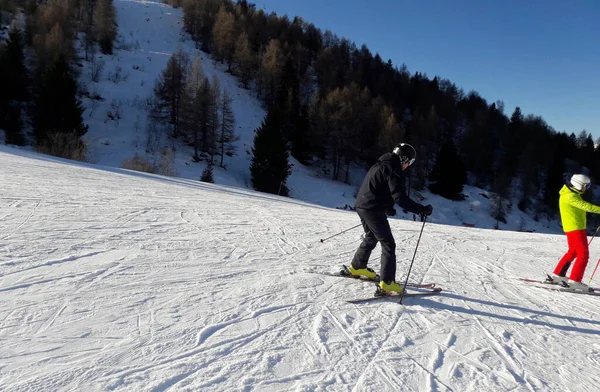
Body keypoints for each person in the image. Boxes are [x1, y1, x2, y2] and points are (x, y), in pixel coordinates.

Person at [346, 143, 433, 294]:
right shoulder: (394, 168)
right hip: (372, 208)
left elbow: (378, 187)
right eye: (409, 162)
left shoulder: (381, 164)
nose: (408, 165)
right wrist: (421, 209)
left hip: (362, 205)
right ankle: (387, 283)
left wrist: (387, 206)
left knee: (371, 236)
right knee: (388, 244)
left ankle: (358, 266)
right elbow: (400, 198)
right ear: (404, 158)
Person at [548, 174, 600, 292]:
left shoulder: (571, 195)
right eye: (587, 185)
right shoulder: (570, 196)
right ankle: (575, 281)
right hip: (576, 229)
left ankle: (559, 274)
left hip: (573, 228)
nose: (587, 188)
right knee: (583, 254)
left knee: (573, 251)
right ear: (579, 184)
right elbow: (586, 206)